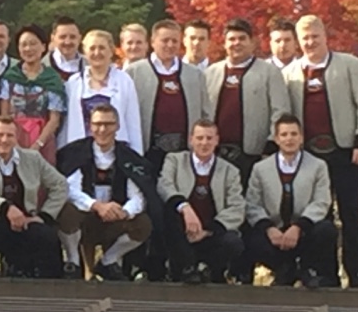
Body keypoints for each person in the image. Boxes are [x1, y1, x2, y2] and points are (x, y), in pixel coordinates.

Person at [282, 15, 358, 289]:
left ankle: (357, 272)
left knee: (350, 213)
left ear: (325, 37)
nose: (310, 42)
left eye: (315, 37)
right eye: (305, 38)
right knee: (318, 217)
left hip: (345, 152)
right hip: (309, 157)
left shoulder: (349, 65)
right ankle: (325, 274)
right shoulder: (290, 73)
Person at [57, 104, 158, 281]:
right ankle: (73, 262)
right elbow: (68, 190)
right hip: (84, 218)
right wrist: (96, 206)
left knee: (143, 224)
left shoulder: (129, 157)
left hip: (114, 220)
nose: (102, 129)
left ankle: (108, 262)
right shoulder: (74, 152)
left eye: (108, 124)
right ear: (90, 126)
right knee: (66, 213)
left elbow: (138, 197)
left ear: (117, 126)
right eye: (97, 124)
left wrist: (124, 211)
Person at [0, 116, 67, 278]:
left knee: (46, 235)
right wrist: (6, 208)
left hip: (24, 222)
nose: (4, 140)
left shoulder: (33, 158)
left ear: (17, 137)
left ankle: (49, 283)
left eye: (10, 135)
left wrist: (44, 216)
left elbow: (60, 185)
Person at [244, 114, 339, 288]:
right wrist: (269, 228)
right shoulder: (260, 168)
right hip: (274, 232)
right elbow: (253, 204)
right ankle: (284, 270)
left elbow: (321, 201)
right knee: (250, 237)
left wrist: (298, 227)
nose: (289, 139)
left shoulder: (318, 166)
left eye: (294, 134)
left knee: (326, 230)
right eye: (284, 134)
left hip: (304, 230)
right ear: (276, 139)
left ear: (301, 138)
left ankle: (307, 269)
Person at [204, 18, 290, 187]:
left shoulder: (269, 72)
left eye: (242, 38)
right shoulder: (211, 73)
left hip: (253, 153)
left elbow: (280, 111)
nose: (237, 43)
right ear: (224, 43)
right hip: (216, 153)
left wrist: (272, 143)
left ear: (252, 42)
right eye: (232, 39)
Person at [157, 120, 245, 284]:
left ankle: (212, 271)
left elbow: (237, 207)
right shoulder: (174, 160)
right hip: (181, 231)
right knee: (169, 214)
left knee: (233, 242)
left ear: (217, 140)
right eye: (199, 138)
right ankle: (186, 268)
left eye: (209, 138)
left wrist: (208, 231)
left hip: (210, 233)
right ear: (191, 139)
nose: (204, 143)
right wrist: (185, 207)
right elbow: (164, 185)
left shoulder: (230, 171)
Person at [125, 20, 208, 175]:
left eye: (174, 41)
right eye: (165, 40)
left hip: (184, 153)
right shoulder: (134, 72)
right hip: (148, 151)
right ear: (153, 42)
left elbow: (205, 114)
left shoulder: (195, 75)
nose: (170, 45)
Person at [61, 29, 144, 154]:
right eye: (92, 48)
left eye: (102, 48)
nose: (97, 52)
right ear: (85, 52)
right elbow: (66, 124)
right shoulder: (74, 83)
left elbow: (133, 122)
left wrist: (136, 155)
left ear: (111, 51)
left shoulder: (124, 81)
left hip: (116, 151)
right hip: (81, 151)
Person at [0, 24, 66, 164]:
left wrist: (38, 144)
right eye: (23, 45)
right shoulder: (10, 77)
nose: (28, 49)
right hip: (12, 137)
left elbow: (54, 119)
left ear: (43, 47)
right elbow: (4, 114)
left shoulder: (52, 79)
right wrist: (14, 143)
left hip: (43, 139)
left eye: (33, 44)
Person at [43, 16, 86, 82]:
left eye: (72, 37)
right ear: (52, 38)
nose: (67, 42)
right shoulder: (41, 68)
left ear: (80, 38)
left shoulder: (91, 66)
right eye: (62, 37)